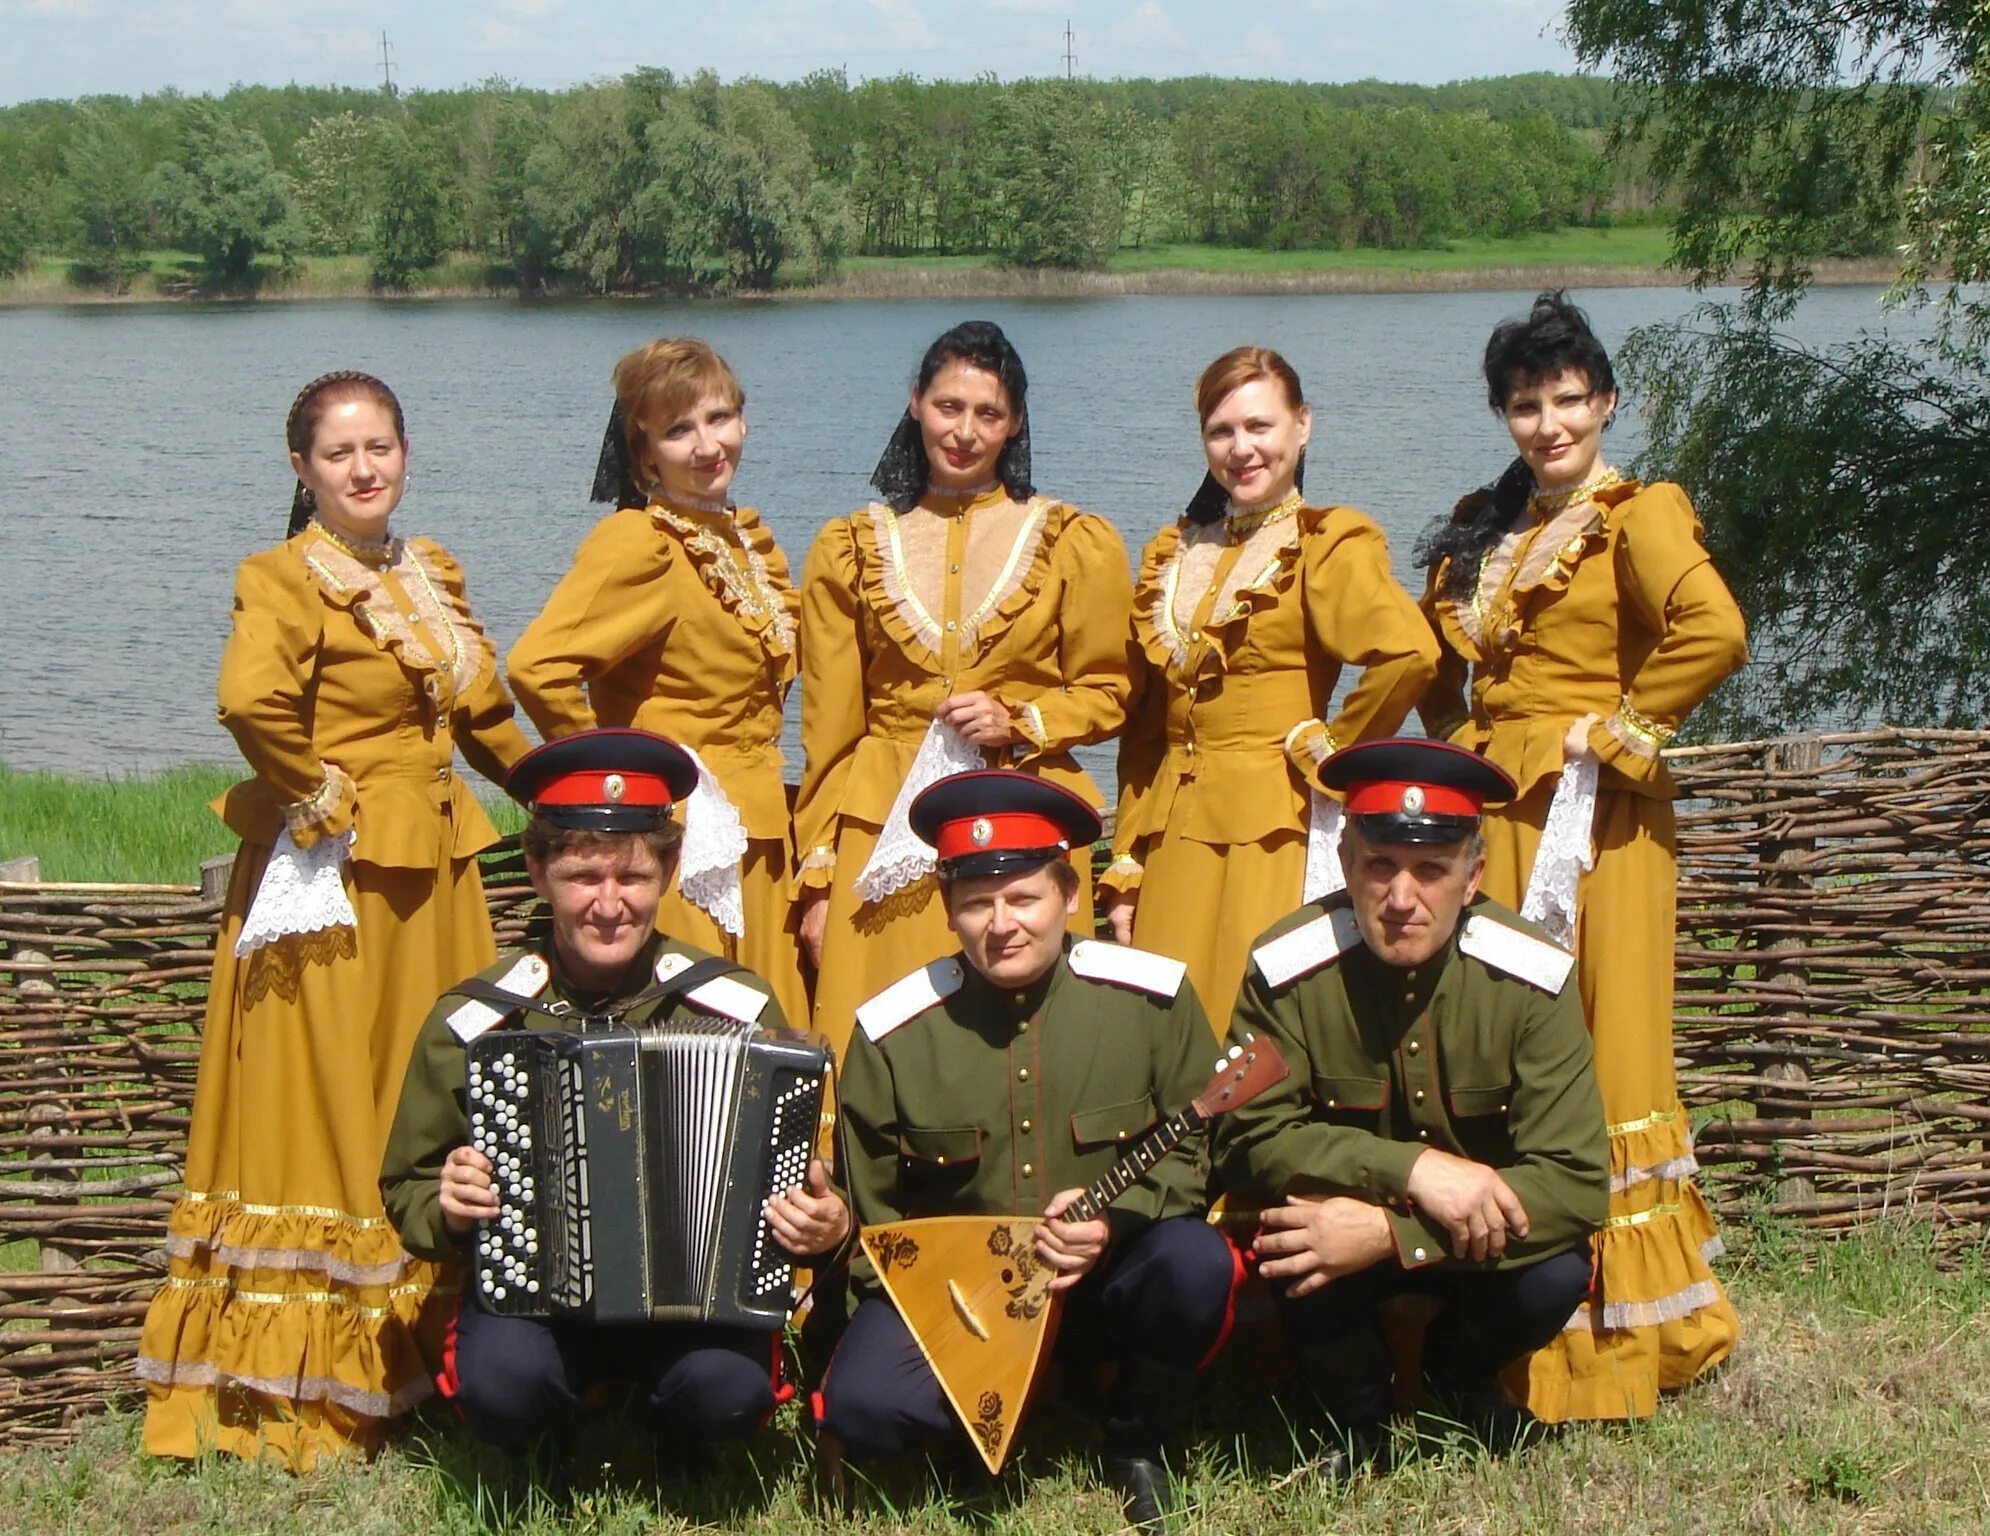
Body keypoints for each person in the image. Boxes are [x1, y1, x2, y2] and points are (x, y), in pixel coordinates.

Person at [136, 371, 534, 1468]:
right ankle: (318, 1384)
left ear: (406, 453)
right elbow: (247, 699)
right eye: (339, 453)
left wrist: (564, 789)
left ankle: (430, 1352)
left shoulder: (430, 572)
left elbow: (484, 710)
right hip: (337, 883)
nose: (365, 469)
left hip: (436, 875)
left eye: (381, 448)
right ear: (301, 470)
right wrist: (318, 797)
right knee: (329, 1100)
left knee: (429, 1079)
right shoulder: (281, 576)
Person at [1415, 291, 1748, 1422]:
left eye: (1567, 400)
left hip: (1594, 823)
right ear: (1502, 413)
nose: (1548, 424)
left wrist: (1610, 729)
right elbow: (1432, 667)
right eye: (1524, 404)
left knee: (1602, 1045)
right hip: (1494, 816)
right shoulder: (1480, 520)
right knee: (1502, 1043)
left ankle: (1613, 1339)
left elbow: (1715, 629)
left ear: (1605, 402)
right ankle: (1495, 1313)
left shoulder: (1637, 513)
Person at [379, 729, 847, 1464]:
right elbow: (407, 1187)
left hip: (698, 1306)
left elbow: (801, 1181)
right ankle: (551, 1430)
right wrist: (450, 1204)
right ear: (536, 871)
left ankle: (677, 1433)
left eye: (631, 877)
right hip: (537, 1299)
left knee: (725, 1392)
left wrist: (817, 1221)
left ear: (667, 870)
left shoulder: (735, 1006)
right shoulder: (478, 1019)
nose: (608, 904)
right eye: (581, 876)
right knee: (504, 1387)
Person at [815, 770, 1233, 1531]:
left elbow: (1200, 1145)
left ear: (1070, 894)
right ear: (948, 910)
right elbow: (874, 1219)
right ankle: (977, 1427)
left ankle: (1137, 1439)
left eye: (1023, 898)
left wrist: (1115, 1222)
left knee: (1192, 1262)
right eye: (976, 903)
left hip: (1109, 1277)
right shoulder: (893, 1034)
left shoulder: (1151, 999)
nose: (1000, 924)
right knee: (869, 1409)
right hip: (967, 1302)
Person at [1211, 738, 1608, 1469]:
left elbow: (1578, 1185)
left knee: (1558, 1269)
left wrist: (1396, 1232)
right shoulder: (1288, 967)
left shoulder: (1530, 979)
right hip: (1335, 1242)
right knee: (1293, 1237)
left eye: (1431, 871)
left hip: (1477, 1250)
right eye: (1380, 867)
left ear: (1473, 874)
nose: (1402, 899)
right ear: (1344, 864)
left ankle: (1461, 1383)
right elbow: (1246, 1135)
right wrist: (1412, 1169)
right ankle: (1355, 1414)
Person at [794, 320, 1132, 1068]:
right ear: (915, 403)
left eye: (987, 414)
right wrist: (818, 875)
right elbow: (829, 730)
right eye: (949, 406)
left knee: (1027, 1045)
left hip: (1021, 810)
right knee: (873, 1038)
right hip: (878, 829)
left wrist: (1021, 719)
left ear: (1014, 423)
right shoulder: (848, 547)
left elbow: (1111, 691)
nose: (965, 431)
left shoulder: (1075, 540)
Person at [1104, 346, 1439, 1030]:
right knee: (1167, 1028)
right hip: (1172, 837)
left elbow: (1409, 654)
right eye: (1221, 431)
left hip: (1272, 829)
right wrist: (1129, 861)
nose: (1241, 448)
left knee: (1256, 1022)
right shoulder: (1172, 552)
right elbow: (1146, 732)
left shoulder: (1325, 542)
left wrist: (1335, 752)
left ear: (1303, 426)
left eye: (1260, 426)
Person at [507, 338, 806, 1026]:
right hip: (684, 839)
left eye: (719, 418)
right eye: (679, 430)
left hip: (756, 829)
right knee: (693, 1040)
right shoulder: (640, 542)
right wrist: (617, 787)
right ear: (644, 454)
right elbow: (537, 666)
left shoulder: (744, 542)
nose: (707, 445)